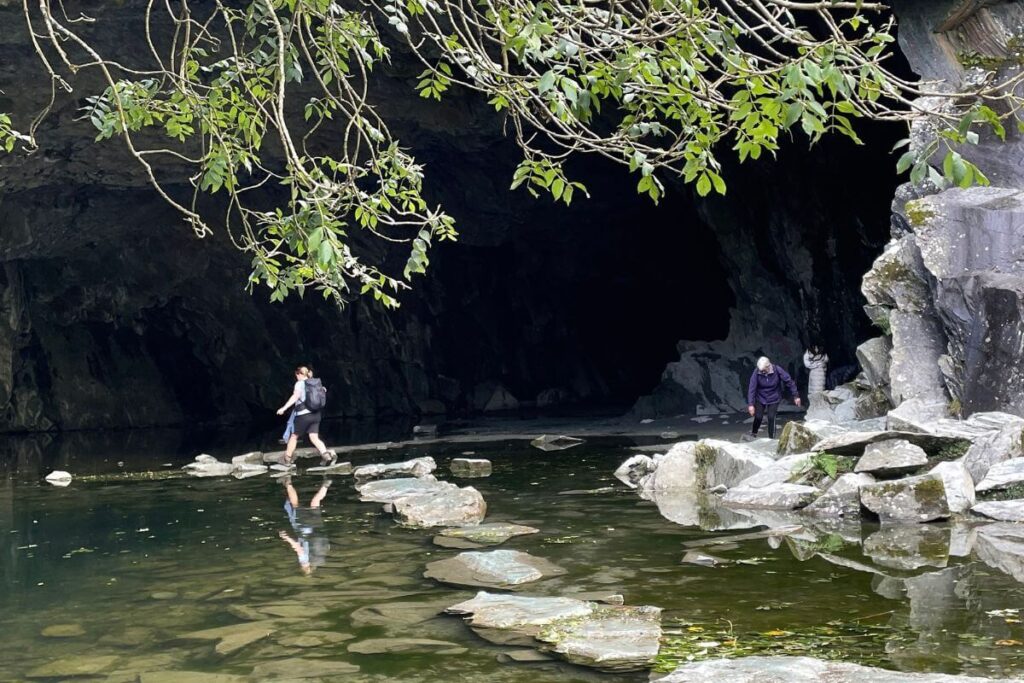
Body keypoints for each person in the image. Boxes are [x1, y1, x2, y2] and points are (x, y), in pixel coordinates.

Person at [276, 365, 335, 466]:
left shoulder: (299, 384)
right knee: (314, 437)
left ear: (299, 374)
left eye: (296, 375)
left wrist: (284, 408)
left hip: (303, 416)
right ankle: (326, 455)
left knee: (294, 436)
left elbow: (295, 397)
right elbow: (323, 391)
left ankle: (287, 459)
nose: (296, 377)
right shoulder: (316, 383)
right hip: (316, 415)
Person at [278, 476, 332, 575]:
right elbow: (299, 548)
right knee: (295, 504)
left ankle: (325, 486)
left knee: (315, 503)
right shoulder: (305, 561)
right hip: (303, 527)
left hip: (317, 527)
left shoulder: (320, 556)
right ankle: (288, 483)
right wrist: (287, 538)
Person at [747, 356, 801, 439]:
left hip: (774, 397)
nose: (761, 371)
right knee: (758, 417)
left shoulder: (777, 370)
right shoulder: (757, 372)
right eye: (760, 370)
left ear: (768, 366)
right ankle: (754, 432)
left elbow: (789, 381)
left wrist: (796, 396)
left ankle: (771, 438)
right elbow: (752, 388)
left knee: (771, 417)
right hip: (760, 397)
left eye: (763, 370)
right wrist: (751, 404)